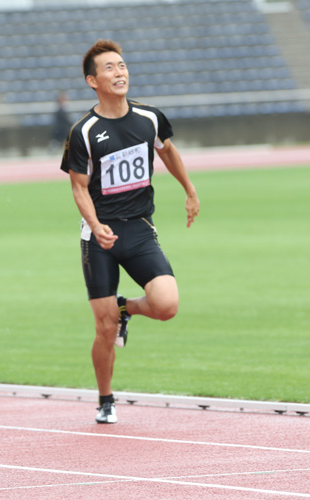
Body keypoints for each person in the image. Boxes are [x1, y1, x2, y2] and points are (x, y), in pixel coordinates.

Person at [59, 39, 200, 424]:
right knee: (104, 328)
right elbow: (77, 186)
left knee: (167, 304)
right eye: (109, 68)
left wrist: (189, 190)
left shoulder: (149, 118)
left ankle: (127, 307)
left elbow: (167, 150)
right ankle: (106, 398)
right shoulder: (84, 131)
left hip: (139, 228)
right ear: (92, 80)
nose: (119, 72)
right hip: (99, 238)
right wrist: (95, 226)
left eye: (122, 66)